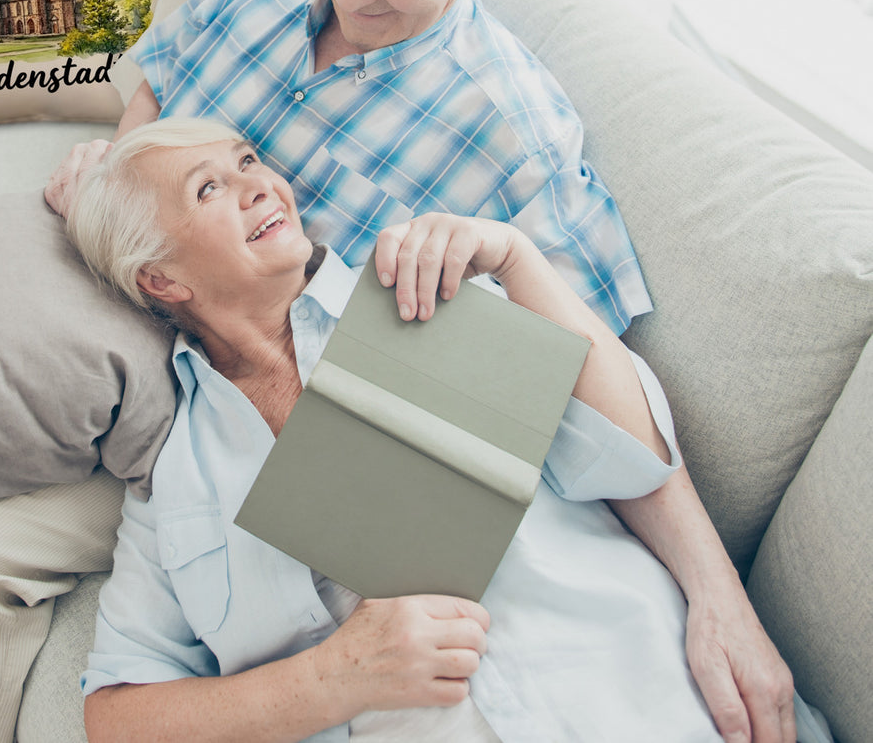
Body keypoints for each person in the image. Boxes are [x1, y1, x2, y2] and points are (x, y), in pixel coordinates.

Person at [47, 0, 795, 742]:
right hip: (152, 364)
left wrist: (717, 596)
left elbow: (602, 413)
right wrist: (122, 182)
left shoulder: (492, 184)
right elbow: (158, 79)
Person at [66, 117, 817, 743]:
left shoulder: (420, 290)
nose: (259, 184)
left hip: (647, 695)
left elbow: (632, 458)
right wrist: (333, 678)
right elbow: (117, 715)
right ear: (161, 279)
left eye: (248, 161)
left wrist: (518, 260)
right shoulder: (175, 481)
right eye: (209, 188)